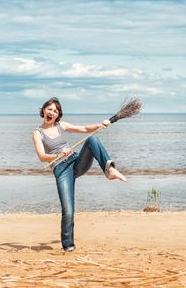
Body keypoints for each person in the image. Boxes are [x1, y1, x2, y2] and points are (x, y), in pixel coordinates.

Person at [33, 97, 127, 252]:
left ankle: (109, 169)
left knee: (92, 139)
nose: (52, 112)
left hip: (76, 162)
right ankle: (68, 247)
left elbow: (84, 129)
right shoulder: (38, 133)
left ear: (58, 115)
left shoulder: (61, 125)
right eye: (49, 109)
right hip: (61, 170)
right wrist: (59, 156)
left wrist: (100, 125)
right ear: (43, 110)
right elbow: (42, 157)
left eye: (55, 111)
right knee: (68, 211)